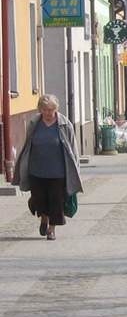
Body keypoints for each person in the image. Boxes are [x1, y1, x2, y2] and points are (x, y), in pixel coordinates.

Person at [12, 94, 83, 241]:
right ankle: (44, 218)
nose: (48, 113)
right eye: (45, 110)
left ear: (56, 109)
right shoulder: (34, 123)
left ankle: (52, 229)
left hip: (58, 172)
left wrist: (75, 167)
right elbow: (27, 145)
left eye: (51, 110)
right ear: (40, 109)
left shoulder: (64, 124)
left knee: (56, 200)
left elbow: (72, 147)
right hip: (36, 170)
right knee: (39, 199)